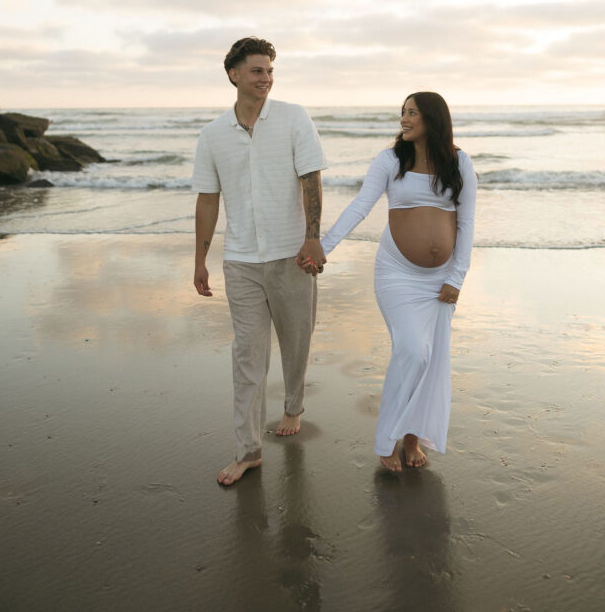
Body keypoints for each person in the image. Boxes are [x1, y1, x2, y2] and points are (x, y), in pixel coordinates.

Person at [301, 92, 476, 472]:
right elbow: (361, 205)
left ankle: (411, 440)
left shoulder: (459, 162)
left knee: (431, 360)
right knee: (413, 351)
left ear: (433, 118)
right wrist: (324, 246)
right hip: (397, 273)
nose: (404, 119)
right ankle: (386, 442)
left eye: (412, 112)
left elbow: (466, 224)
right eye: (403, 112)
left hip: (441, 280)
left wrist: (457, 278)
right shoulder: (391, 160)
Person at [192, 37, 327, 486]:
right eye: (257, 71)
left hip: (292, 256)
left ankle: (292, 406)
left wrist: (312, 239)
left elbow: (311, 179)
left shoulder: (293, 118)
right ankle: (248, 449)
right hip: (241, 261)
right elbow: (208, 200)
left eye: (269, 70)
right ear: (233, 74)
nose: (266, 78)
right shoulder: (212, 135)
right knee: (247, 355)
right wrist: (201, 260)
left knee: (297, 342)